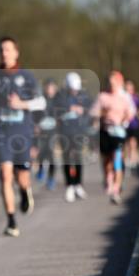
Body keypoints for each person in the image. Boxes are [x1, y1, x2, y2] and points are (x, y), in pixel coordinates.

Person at [0, 37, 45, 237]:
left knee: (22, 177)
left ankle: (25, 191)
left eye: (8, 49)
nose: (4, 53)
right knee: (4, 175)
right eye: (2, 50)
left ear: (16, 52)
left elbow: (41, 102)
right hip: (2, 133)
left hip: (22, 133)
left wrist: (22, 104)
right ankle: (11, 221)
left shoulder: (26, 76)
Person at [90, 70, 136, 205]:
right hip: (105, 132)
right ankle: (108, 179)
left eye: (114, 83)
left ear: (119, 83)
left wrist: (123, 120)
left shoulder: (125, 97)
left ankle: (116, 190)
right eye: (110, 83)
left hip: (119, 132)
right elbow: (93, 113)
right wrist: (102, 113)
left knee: (117, 159)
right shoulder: (102, 96)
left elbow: (131, 113)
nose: (112, 85)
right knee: (107, 161)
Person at [54, 72, 91, 203]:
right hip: (65, 133)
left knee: (79, 158)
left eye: (76, 89)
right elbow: (55, 108)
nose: (75, 91)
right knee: (67, 159)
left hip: (79, 132)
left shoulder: (83, 95)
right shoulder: (60, 96)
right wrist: (69, 108)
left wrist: (83, 110)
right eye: (73, 89)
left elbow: (90, 108)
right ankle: (69, 185)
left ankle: (78, 185)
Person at [34, 79, 59, 190]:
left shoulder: (59, 100)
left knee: (51, 156)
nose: (49, 90)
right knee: (41, 153)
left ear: (55, 89)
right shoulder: (40, 100)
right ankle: (40, 169)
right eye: (48, 88)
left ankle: (51, 179)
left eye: (51, 88)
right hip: (42, 132)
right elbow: (35, 115)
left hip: (53, 132)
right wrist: (36, 125)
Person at [124, 79, 139, 171]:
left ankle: (134, 159)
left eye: (130, 87)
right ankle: (127, 159)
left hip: (134, 123)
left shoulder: (136, 98)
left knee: (133, 142)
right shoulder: (122, 98)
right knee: (126, 142)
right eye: (126, 87)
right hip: (125, 123)